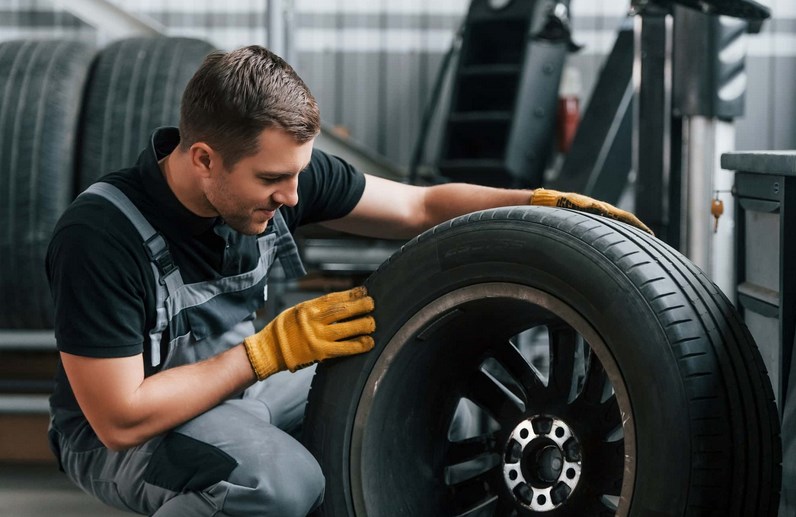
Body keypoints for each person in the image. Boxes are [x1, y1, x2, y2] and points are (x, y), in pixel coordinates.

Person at [46, 45, 650, 517]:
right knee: (282, 483)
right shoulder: (102, 236)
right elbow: (119, 418)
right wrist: (268, 352)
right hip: (122, 437)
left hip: (236, 394)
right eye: (272, 181)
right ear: (203, 159)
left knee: (428, 392)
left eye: (299, 175)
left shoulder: (277, 175)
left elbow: (420, 208)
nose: (291, 197)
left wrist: (537, 204)